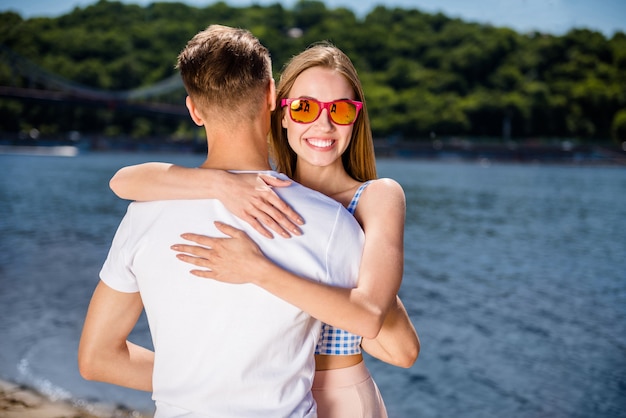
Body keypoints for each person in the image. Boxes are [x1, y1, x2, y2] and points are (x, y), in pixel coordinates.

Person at [109, 43, 420, 417]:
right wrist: (220, 184)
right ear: (280, 108)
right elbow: (124, 182)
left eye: (339, 109)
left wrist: (259, 270)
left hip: (338, 393)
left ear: (356, 118)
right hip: (274, 394)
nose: (324, 125)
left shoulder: (374, 197)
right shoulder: (264, 194)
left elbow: (389, 337)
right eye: (305, 108)